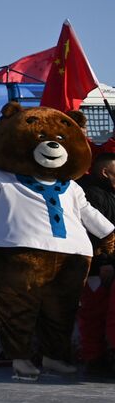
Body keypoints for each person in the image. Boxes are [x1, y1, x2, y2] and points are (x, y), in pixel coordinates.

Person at [77, 152, 115, 375]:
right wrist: (104, 263)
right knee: (94, 315)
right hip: (98, 269)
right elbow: (93, 235)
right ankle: (95, 361)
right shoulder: (92, 196)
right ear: (105, 172)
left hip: (108, 267)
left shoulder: (109, 195)